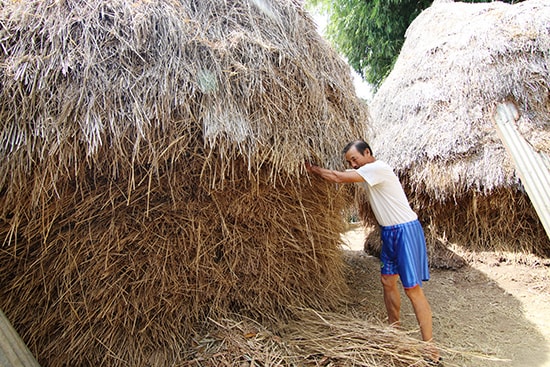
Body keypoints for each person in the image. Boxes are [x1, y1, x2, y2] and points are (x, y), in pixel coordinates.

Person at [305, 139, 440, 364]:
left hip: (405, 231)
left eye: (355, 159)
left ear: (367, 152)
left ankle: (430, 346)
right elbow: (345, 175)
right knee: (387, 281)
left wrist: (312, 169)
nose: (353, 165)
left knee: (412, 289)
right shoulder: (367, 172)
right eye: (350, 162)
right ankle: (394, 330)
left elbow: (338, 177)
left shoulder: (378, 168)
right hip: (388, 233)